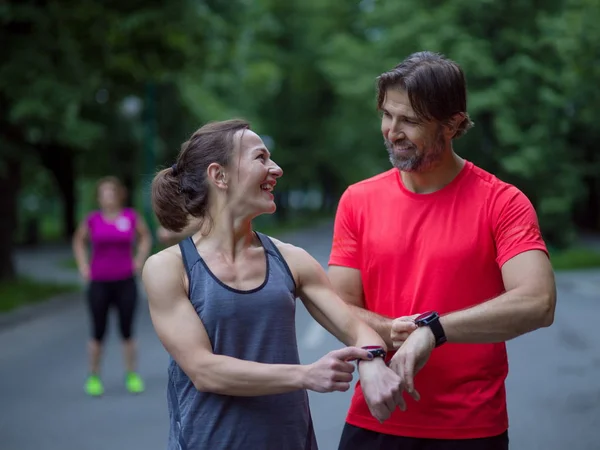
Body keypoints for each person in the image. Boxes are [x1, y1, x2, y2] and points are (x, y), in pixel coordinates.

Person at [328, 51, 557, 450]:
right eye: (387, 115)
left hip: (469, 429)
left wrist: (434, 331)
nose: (391, 131)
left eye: (410, 121)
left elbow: (538, 302)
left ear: (452, 125)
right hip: (376, 417)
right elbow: (337, 303)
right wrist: (377, 343)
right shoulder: (357, 200)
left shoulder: (502, 202)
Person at [141, 119, 404, 450]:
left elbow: (356, 327)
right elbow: (204, 371)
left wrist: (374, 361)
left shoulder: (292, 259)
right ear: (219, 176)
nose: (276, 169)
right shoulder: (169, 267)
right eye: (260, 158)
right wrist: (305, 375)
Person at [72, 176, 152, 397]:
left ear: (119, 195)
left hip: (125, 280)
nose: (107, 196)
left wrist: (139, 259)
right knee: (98, 331)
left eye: (111, 192)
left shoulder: (130, 217)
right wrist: (83, 265)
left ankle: (132, 375)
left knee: (127, 330)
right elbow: (79, 241)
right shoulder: (93, 220)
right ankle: (94, 376)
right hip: (99, 282)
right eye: (103, 192)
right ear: (99, 197)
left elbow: (145, 237)